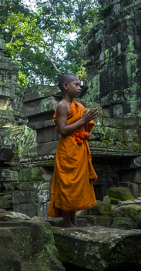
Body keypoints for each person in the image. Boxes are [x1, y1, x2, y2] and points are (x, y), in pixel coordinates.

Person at [48, 74, 99, 228]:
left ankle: (73, 220)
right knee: (67, 183)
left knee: (77, 185)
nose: (79, 88)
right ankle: (66, 221)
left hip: (80, 148)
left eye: (79, 85)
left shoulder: (79, 106)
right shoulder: (62, 105)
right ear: (65, 86)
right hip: (67, 149)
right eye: (76, 84)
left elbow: (84, 130)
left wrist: (84, 121)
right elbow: (63, 130)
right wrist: (83, 120)